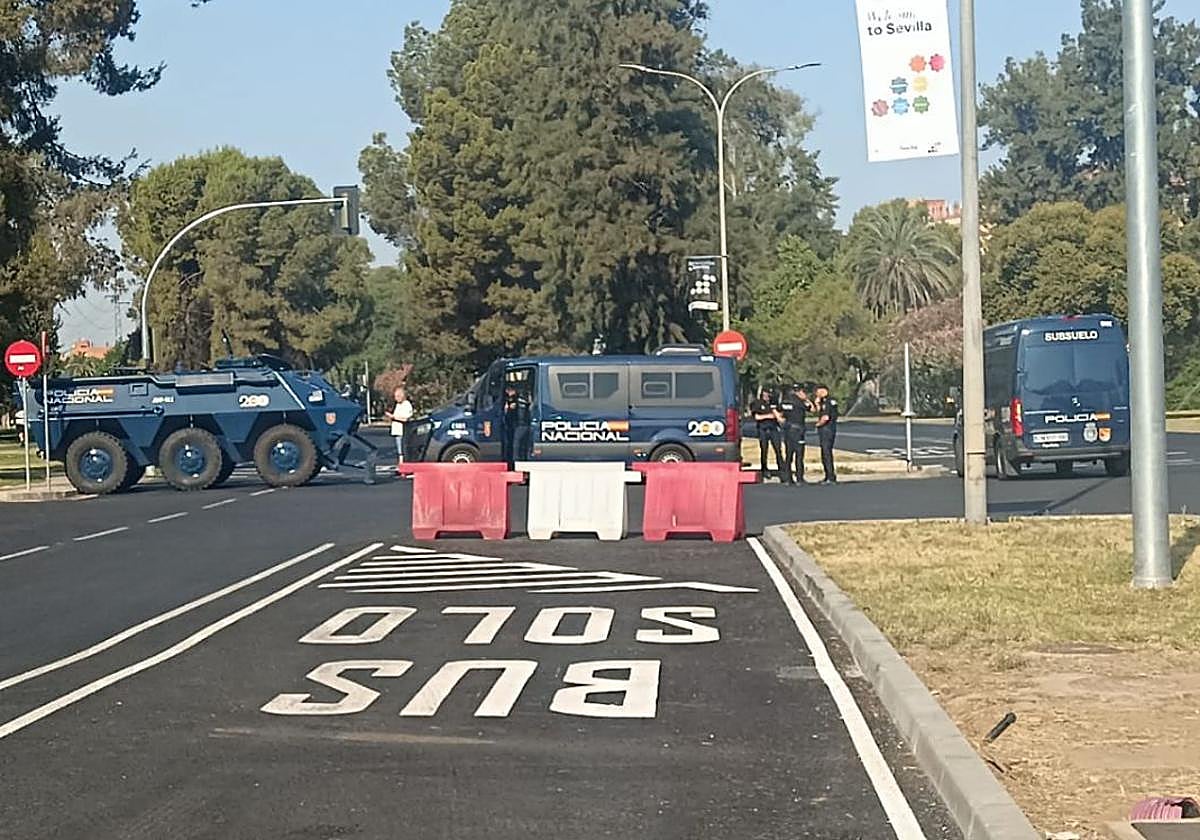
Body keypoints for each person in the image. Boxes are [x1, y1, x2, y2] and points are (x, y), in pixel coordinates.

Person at [777, 384, 812, 485]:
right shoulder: (800, 402)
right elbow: (812, 409)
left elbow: (778, 410)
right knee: (799, 455)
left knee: (789, 455)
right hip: (798, 429)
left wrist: (780, 419)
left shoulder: (786, 401)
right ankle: (799, 478)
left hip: (788, 429)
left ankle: (788, 478)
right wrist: (807, 399)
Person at [750, 387, 783, 480]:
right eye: (766, 394)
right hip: (763, 429)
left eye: (769, 394)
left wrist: (777, 416)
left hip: (773, 429)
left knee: (778, 450)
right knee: (764, 450)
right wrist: (769, 416)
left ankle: (782, 470)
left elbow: (780, 414)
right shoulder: (757, 403)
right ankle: (764, 470)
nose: (768, 396)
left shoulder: (774, 403)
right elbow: (757, 417)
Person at [814, 384, 839, 484]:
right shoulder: (827, 401)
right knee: (825, 452)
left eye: (817, 391)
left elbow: (825, 417)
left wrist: (818, 424)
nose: (817, 394)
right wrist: (817, 404)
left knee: (826, 453)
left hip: (827, 429)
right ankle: (828, 475)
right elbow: (820, 412)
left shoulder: (828, 401)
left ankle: (830, 476)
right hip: (829, 428)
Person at [502, 383, 531, 466]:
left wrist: (508, 408)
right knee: (519, 445)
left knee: (516, 445)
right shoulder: (522, 398)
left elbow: (512, 412)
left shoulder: (514, 400)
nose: (507, 393)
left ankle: (515, 464)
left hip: (519, 424)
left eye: (508, 391)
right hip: (522, 424)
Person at [390, 385, 413, 473]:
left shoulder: (406, 405)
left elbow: (406, 418)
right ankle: (401, 466)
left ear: (402, 396)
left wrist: (394, 417)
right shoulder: (398, 405)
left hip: (403, 431)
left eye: (397, 396)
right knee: (400, 451)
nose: (396, 398)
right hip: (397, 431)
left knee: (402, 450)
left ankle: (404, 467)